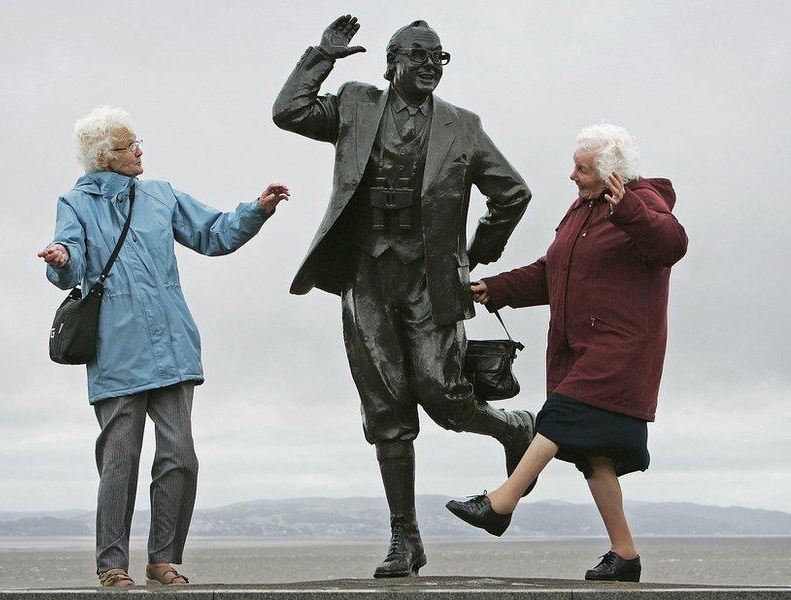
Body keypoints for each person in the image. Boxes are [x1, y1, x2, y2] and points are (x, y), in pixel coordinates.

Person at [272, 15, 535, 577]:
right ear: (392, 62)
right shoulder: (356, 105)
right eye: (420, 56)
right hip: (365, 274)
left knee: (445, 396)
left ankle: (513, 427)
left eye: (439, 57)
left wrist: (475, 253)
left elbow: (512, 192)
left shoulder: (463, 126)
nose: (431, 67)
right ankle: (404, 539)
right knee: (386, 409)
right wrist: (322, 55)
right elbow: (288, 111)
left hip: (427, 278)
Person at [38, 106, 289, 587]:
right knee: (119, 463)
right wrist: (61, 259)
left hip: (173, 346)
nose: (139, 150)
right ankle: (112, 566)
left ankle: (163, 559)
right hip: (116, 350)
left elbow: (213, 234)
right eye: (128, 144)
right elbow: (66, 256)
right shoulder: (75, 203)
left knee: (180, 456)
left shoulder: (160, 195)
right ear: (102, 157)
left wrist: (256, 210)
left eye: (138, 141)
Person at [445, 124, 688, 583]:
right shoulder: (581, 210)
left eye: (582, 168)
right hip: (579, 347)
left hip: (622, 347)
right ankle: (625, 556)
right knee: (595, 456)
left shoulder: (643, 201)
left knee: (557, 416)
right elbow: (551, 273)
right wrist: (494, 288)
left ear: (611, 172)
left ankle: (502, 502)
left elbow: (671, 245)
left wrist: (629, 208)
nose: (572, 176)